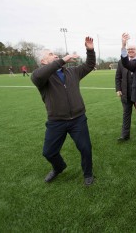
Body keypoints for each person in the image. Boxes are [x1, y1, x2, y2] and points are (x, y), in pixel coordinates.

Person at [31, 37, 96, 186]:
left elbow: (90, 65)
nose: (55, 55)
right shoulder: (39, 76)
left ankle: (88, 174)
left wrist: (90, 49)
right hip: (56, 121)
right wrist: (63, 60)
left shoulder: (73, 71)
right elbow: (39, 75)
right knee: (49, 152)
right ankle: (59, 167)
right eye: (51, 54)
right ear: (44, 62)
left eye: (55, 54)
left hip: (78, 119)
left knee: (85, 148)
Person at [115, 44, 136, 141]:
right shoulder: (121, 62)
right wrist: (118, 89)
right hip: (126, 93)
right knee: (126, 114)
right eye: (129, 49)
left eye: (132, 49)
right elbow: (118, 77)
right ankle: (125, 135)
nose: (130, 50)